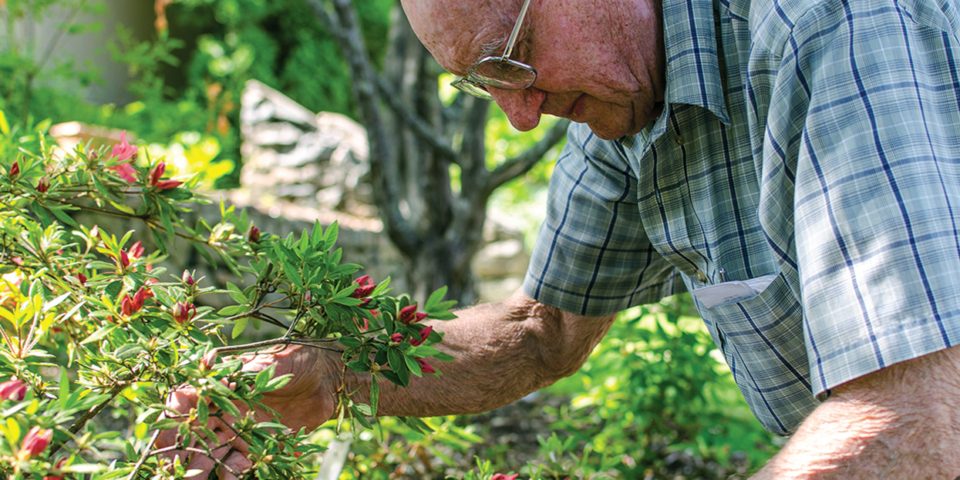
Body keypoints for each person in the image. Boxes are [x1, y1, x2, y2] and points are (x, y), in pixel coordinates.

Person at [161, 0, 960, 477]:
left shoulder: (833, 25)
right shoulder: (624, 112)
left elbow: (919, 416)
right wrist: (329, 372)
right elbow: (538, 333)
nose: (519, 113)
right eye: (485, 84)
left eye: (511, 61)